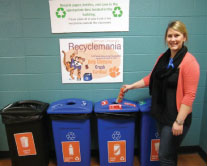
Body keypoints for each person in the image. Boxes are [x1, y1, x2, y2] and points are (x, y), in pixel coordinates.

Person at [123, 21, 200, 166]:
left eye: (176, 35)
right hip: (162, 113)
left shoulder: (189, 62)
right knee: (169, 153)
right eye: (169, 36)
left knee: (164, 156)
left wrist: (179, 121)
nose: (173, 39)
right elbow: (152, 78)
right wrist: (132, 86)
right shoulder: (163, 58)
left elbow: (189, 95)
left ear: (184, 37)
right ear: (166, 38)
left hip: (176, 117)